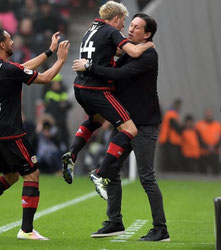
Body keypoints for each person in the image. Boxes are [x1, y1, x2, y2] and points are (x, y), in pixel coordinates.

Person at [0, 29, 69, 240]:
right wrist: (61, 60)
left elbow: (23, 68)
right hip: (10, 132)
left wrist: (49, 51)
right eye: (9, 39)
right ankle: (26, 230)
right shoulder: (10, 69)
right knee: (32, 174)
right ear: (2, 45)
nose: (12, 41)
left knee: (11, 175)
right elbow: (44, 78)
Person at [72, 13, 170, 241]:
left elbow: (119, 74)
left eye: (137, 27)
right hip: (125, 123)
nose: (131, 29)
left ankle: (161, 228)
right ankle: (114, 221)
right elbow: (115, 67)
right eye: (131, 25)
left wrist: (90, 66)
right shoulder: (128, 51)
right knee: (113, 173)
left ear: (147, 35)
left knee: (147, 177)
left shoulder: (149, 54)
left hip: (144, 124)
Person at [61, 0, 153, 199]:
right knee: (130, 130)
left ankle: (73, 153)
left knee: (97, 120)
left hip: (80, 87)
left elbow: (111, 50)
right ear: (117, 18)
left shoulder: (90, 31)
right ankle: (100, 173)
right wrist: (147, 44)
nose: (124, 27)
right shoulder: (111, 31)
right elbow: (134, 51)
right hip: (97, 89)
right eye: (123, 22)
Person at [158, 99, 183, 172]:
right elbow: (176, 128)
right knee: (171, 158)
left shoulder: (170, 113)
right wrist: (182, 127)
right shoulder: (172, 114)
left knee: (167, 158)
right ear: (177, 105)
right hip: (169, 140)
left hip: (166, 139)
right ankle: (169, 174)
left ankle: (166, 173)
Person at [195, 109, 221, 174]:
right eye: (207, 115)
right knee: (203, 171)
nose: (209, 117)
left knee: (216, 171)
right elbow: (198, 138)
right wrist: (207, 147)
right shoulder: (199, 125)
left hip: (214, 152)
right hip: (203, 152)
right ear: (205, 116)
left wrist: (214, 147)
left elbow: (219, 139)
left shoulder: (218, 126)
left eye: (210, 115)